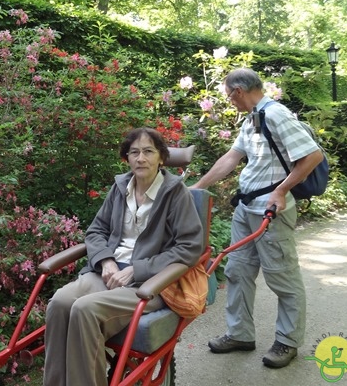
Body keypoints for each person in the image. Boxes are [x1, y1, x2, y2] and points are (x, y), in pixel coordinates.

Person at [43, 127, 204, 386]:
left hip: (148, 282)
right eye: (135, 152)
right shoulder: (120, 188)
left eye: (149, 152)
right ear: (126, 158)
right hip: (108, 271)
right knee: (60, 303)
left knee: (85, 309)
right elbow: (96, 231)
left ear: (161, 158)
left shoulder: (176, 193)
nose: (141, 158)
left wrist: (136, 270)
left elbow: (189, 247)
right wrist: (105, 260)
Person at [191, 68, 324, 369]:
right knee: (237, 271)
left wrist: (281, 191)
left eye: (228, 96)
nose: (229, 101)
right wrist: (196, 188)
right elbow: (231, 158)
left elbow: (312, 155)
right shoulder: (251, 119)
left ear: (238, 91)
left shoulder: (276, 114)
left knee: (282, 277)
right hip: (246, 208)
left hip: (271, 211)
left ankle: (287, 341)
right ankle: (240, 334)